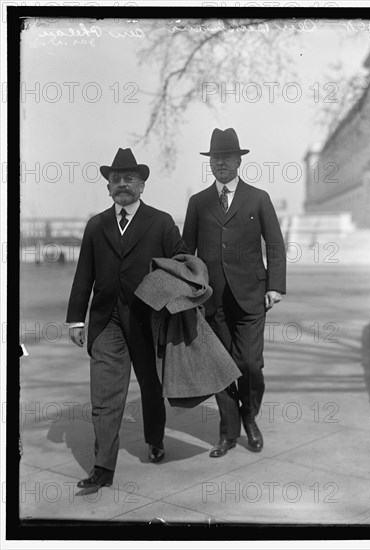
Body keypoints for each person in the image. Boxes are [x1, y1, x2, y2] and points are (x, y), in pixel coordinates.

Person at [66, 147, 187, 490]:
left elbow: (181, 261)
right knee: (105, 396)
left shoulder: (161, 222)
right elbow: (83, 273)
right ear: (108, 187)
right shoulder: (96, 224)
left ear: (142, 185)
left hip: (148, 320)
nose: (122, 184)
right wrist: (76, 319)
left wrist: (174, 297)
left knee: (151, 387)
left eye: (129, 179)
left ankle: (155, 440)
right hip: (107, 322)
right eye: (115, 179)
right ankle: (103, 467)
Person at [182, 128, 286, 458]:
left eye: (227, 158)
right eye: (215, 159)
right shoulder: (198, 202)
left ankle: (249, 418)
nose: (221, 164)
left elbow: (275, 244)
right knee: (222, 366)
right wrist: (187, 291)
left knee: (251, 364)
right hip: (212, 299)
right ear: (209, 163)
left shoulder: (258, 197)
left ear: (239, 161)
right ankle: (228, 433)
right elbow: (187, 251)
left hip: (253, 294)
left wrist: (275, 286)